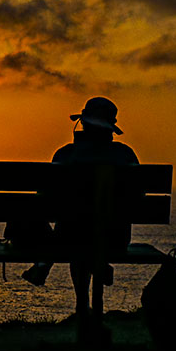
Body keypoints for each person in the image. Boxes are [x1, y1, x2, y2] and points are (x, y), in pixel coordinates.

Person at [20, 97, 139, 326]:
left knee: (74, 230)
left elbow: (43, 200)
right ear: (110, 128)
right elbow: (138, 199)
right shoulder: (125, 156)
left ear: (83, 124)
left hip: (69, 237)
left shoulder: (66, 156)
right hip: (115, 238)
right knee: (85, 233)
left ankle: (78, 299)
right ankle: (94, 271)